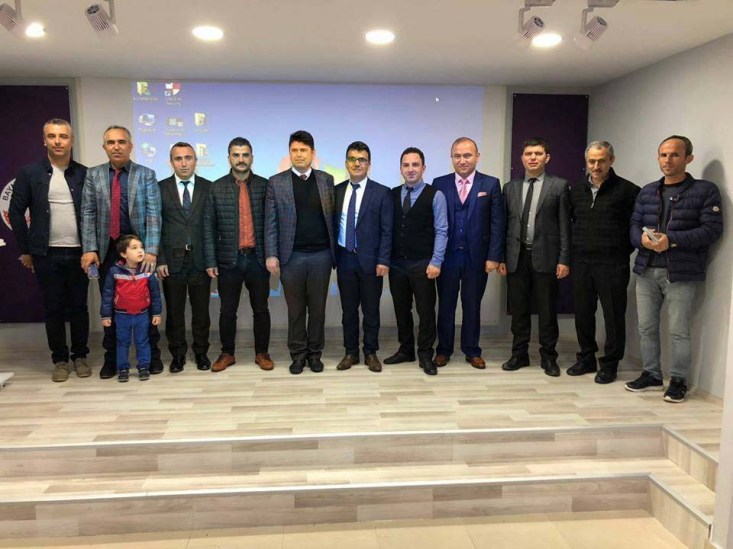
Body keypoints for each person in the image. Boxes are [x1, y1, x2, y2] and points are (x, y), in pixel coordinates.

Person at [625, 135, 723, 403]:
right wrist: (642, 240)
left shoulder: (705, 190)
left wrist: (673, 240)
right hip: (646, 269)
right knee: (646, 327)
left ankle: (678, 380)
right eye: (663, 155)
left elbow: (712, 230)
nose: (668, 160)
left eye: (675, 154)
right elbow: (633, 226)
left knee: (678, 331)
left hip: (680, 272)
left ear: (689, 158)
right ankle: (651, 374)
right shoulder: (648, 191)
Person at [9, 118, 90, 382]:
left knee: (79, 307)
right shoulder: (29, 173)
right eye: (52, 136)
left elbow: (94, 213)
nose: (58, 141)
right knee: (53, 308)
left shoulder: (84, 173)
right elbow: (16, 212)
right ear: (44, 140)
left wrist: (93, 248)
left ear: (71, 141)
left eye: (63, 136)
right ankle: (60, 360)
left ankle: (80, 356)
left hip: (79, 252)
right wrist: (27, 249)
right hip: (46, 254)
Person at [80, 125, 163, 379]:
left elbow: (153, 214)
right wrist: (90, 248)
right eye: (111, 142)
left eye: (122, 142)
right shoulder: (94, 175)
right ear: (104, 147)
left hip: (139, 253)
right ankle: (112, 360)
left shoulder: (145, 174)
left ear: (131, 146)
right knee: (112, 307)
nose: (116, 146)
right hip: (107, 252)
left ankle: (152, 357)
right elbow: (88, 213)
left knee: (145, 305)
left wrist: (151, 250)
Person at [567, 141, 639, 384]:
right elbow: (571, 222)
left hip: (613, 264)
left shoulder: (629, 191)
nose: (596, 166)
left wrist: (621, 250)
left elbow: (635, 227)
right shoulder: (576, 191)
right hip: (581, 262)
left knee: (613, 316)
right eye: (591, 161)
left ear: (611, 161)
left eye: (601, 161)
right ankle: (586, 358)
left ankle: (610, 364)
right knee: (583, 313)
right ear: (586, 162)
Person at [265, 130, 336, 375]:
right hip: (291, 257)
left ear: (312, 153)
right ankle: (297, 355)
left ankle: (315, 354)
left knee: (317, 310)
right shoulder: (276, 182)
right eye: (294, 150)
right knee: (295, 311)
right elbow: (271, 222)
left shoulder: (326, 180)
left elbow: (333, 218)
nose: (299, 154)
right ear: (289, 153)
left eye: (303, 150)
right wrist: (271, 254)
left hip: (321, 256)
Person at [498, 138, 570, 377]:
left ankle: (549, 357)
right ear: (521, 158)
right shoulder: (510, 188)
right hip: (516, 258)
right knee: (518, 311)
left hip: (546, 258)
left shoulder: (559, 186)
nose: (533, 157)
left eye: (538, 153)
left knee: (547, 312)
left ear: (547, 158)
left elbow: (565, 227)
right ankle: (519, 355)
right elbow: (503, 226)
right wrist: (501, 257)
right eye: (528, 153)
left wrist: (564, 259)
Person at [432, 137, 505, 370]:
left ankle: (472, 350)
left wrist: (494, 256)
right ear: (451, 158)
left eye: (467, 155)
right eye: (457, 156)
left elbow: (497, 223)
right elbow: (434, 223)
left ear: (477, 157)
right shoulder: (439, 183)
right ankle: (443, 350)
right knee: (446, 306)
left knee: (472, 305)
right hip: (448, 257)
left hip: (477, 258)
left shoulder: (490, 184)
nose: (462, 160)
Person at [204, 137, 274, 372]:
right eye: (236, 155)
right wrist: (211, 260)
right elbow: (209, 227)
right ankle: (227, 353)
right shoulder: (216, 187)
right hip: (228, 260)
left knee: (261, 309)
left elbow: (273, 224)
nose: (241, 159)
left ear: (252, 158)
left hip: (257, 259)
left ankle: (262, 353)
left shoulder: (265, 186)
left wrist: (272, 255)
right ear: (229, 158)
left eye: (245, 155)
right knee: (227, 310)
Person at [384, 147, 448, 375]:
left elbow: (442, 230)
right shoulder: (392, 194)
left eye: (415, 165)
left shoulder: (435, 195)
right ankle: (406, 350)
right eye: (406, 165)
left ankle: (425, 354)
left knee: (426, 311)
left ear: (423, 168)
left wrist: (436, 261)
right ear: (401, 168)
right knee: (402, 310)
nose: (410, 169)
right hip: (397, 264)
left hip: (423, 264)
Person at [334, 141, 393, 373]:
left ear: (369, 164)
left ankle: (370, 352)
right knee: (348, 311)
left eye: (362, 159)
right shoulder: (337, 191)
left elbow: (387, 230)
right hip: (345, 259)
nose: (357, 163)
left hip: (371, 261)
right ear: (346, 162)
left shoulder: (382, 192)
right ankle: (351, 352)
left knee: (371, 310)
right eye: (352, 159)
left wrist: (383, 260)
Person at [157, 142, 212, 373]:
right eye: (178, 158)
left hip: (200, 260)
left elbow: (214, 226)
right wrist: (159, 259)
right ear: (171, 162)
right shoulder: (160, 188)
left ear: (195, 161)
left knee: (201, 312)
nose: (183, 163)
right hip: (172, 261)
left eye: (188, 158)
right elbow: (156, 226)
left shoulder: (209, 187)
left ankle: (201, 353)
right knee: (175, 312)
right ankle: (177, 355)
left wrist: (212, 260)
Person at [100, 235, 162, 382]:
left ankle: (144, 367)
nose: (140, 251)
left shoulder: (147, 271)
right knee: (122, 342)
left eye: (141, 247)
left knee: (142, 341)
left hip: (142, 315)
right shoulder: (114, 271)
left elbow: (155, 294)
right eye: (134, 248)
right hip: (121, 315)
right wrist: (106, 315)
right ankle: (123, 368)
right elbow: (107, 295)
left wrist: (157, 313)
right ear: (123, 254)